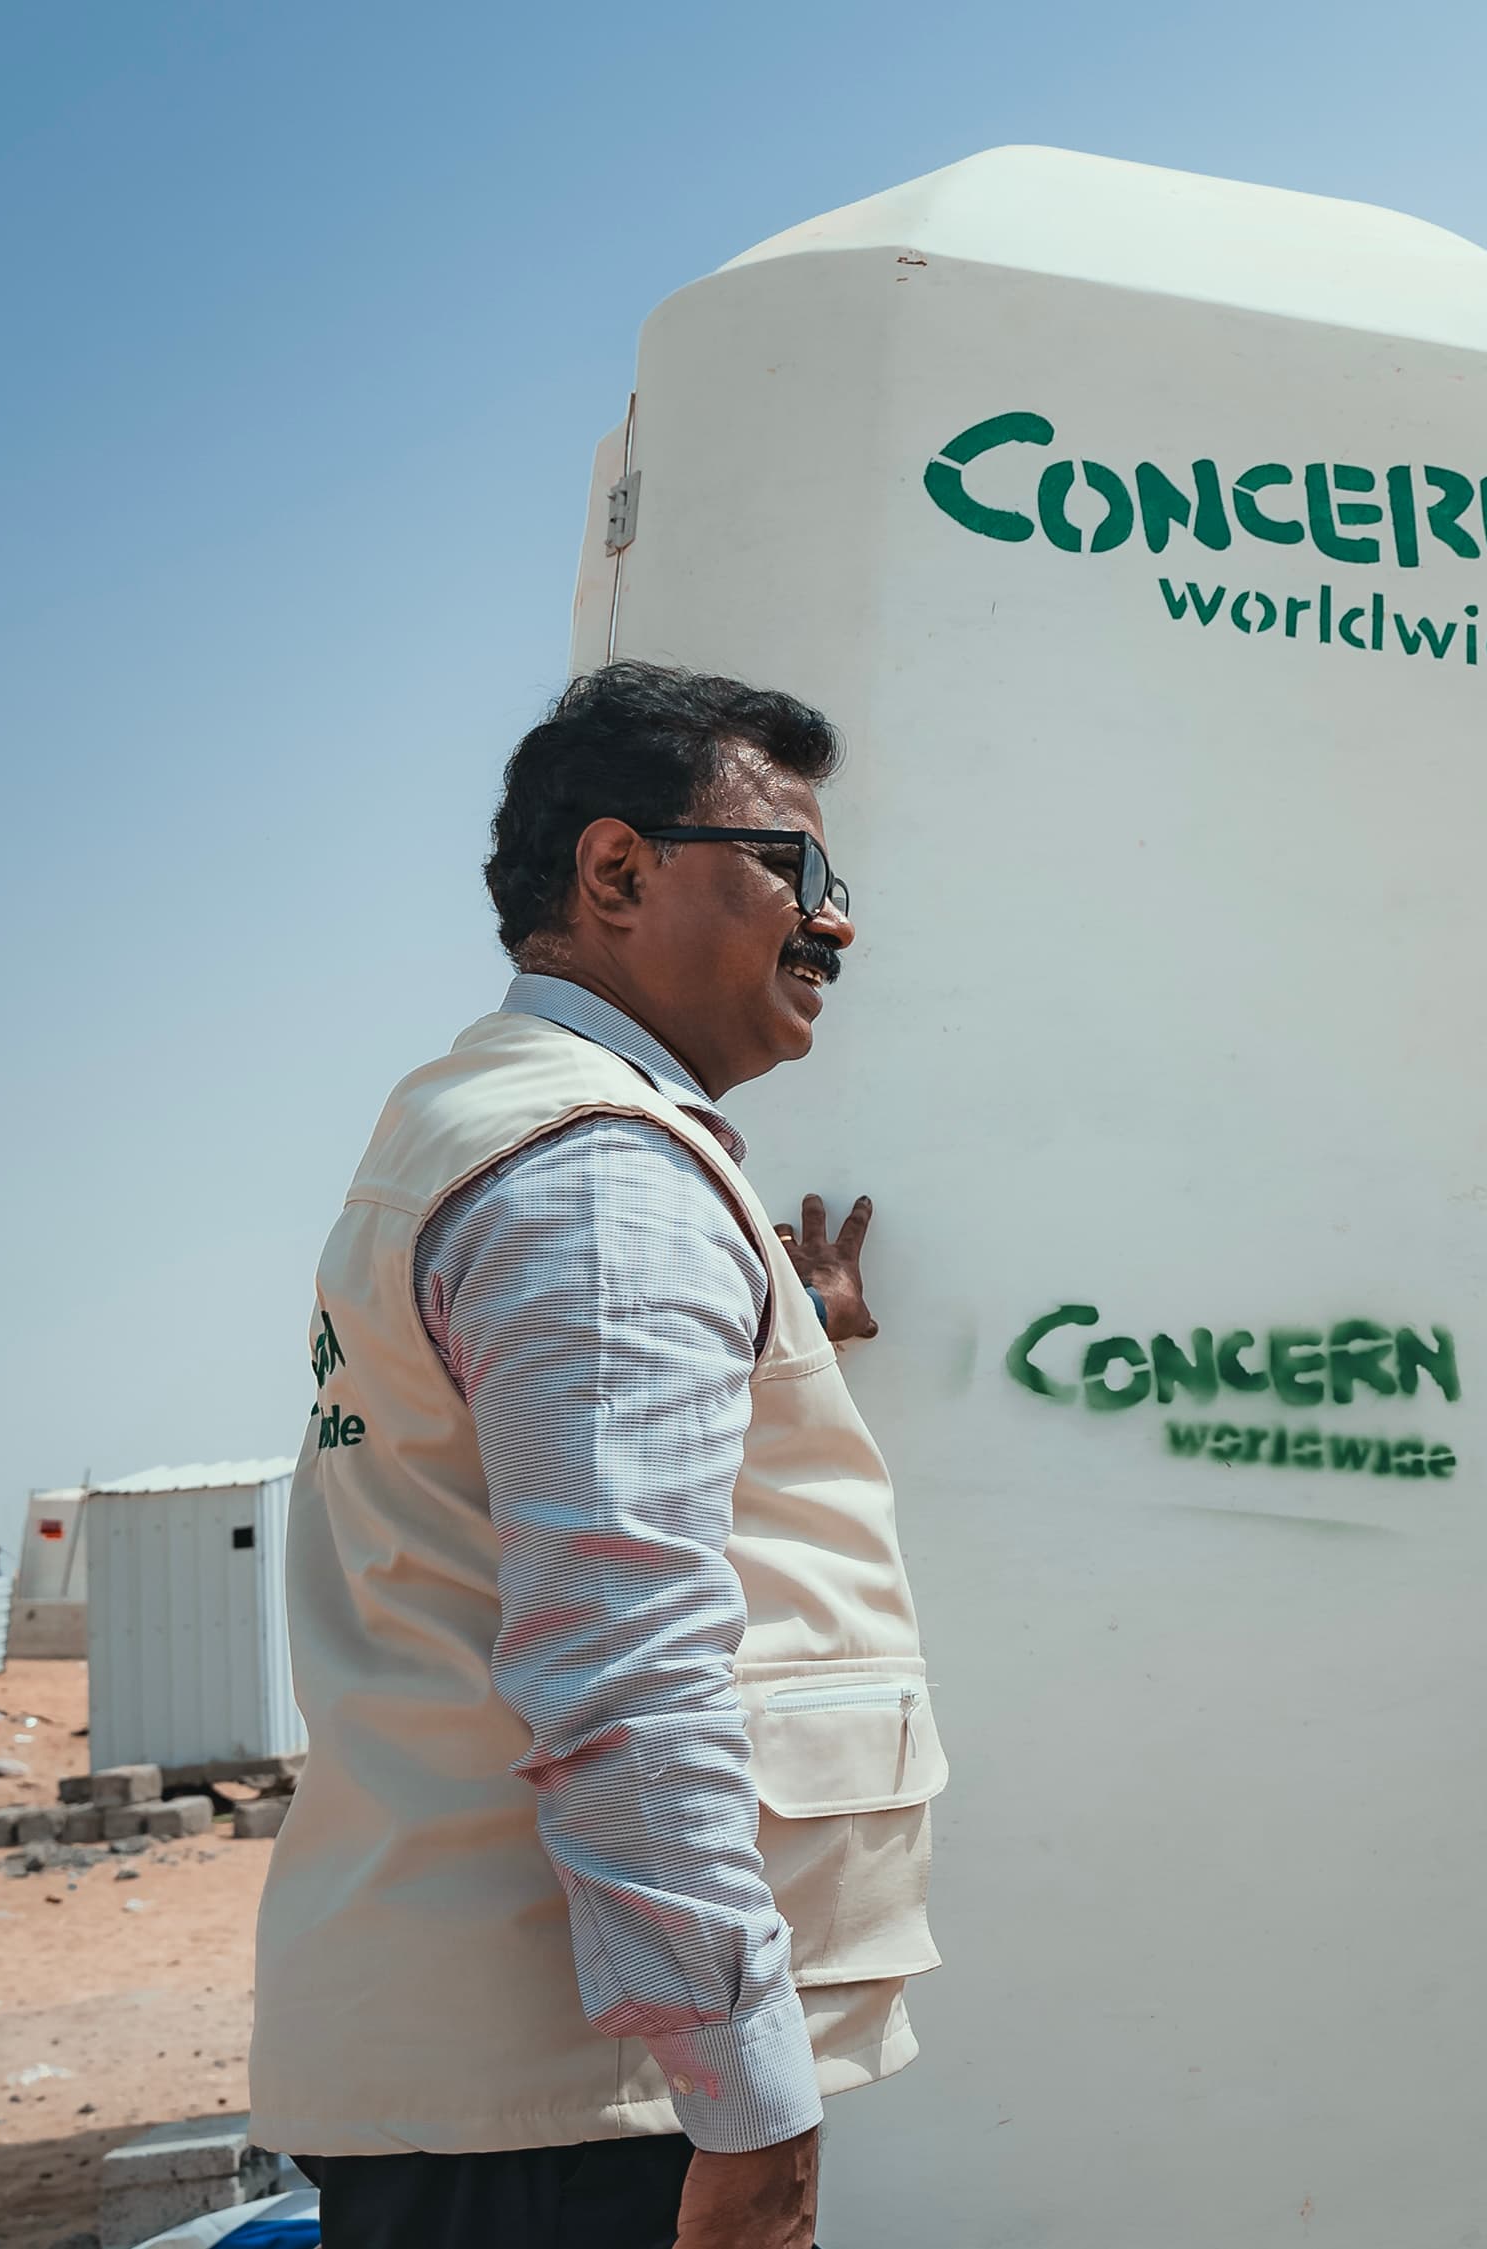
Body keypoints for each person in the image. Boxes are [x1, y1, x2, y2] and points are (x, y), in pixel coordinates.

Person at [253, 662, 948, 2249]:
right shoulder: (596, 1175)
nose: (835, 922)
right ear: (619, 872)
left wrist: (778, 1334)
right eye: (795, 868)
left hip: (518, 2083)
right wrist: (755, 2107)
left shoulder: (502, 1128)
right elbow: (626, 1672)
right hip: (586, 2111)